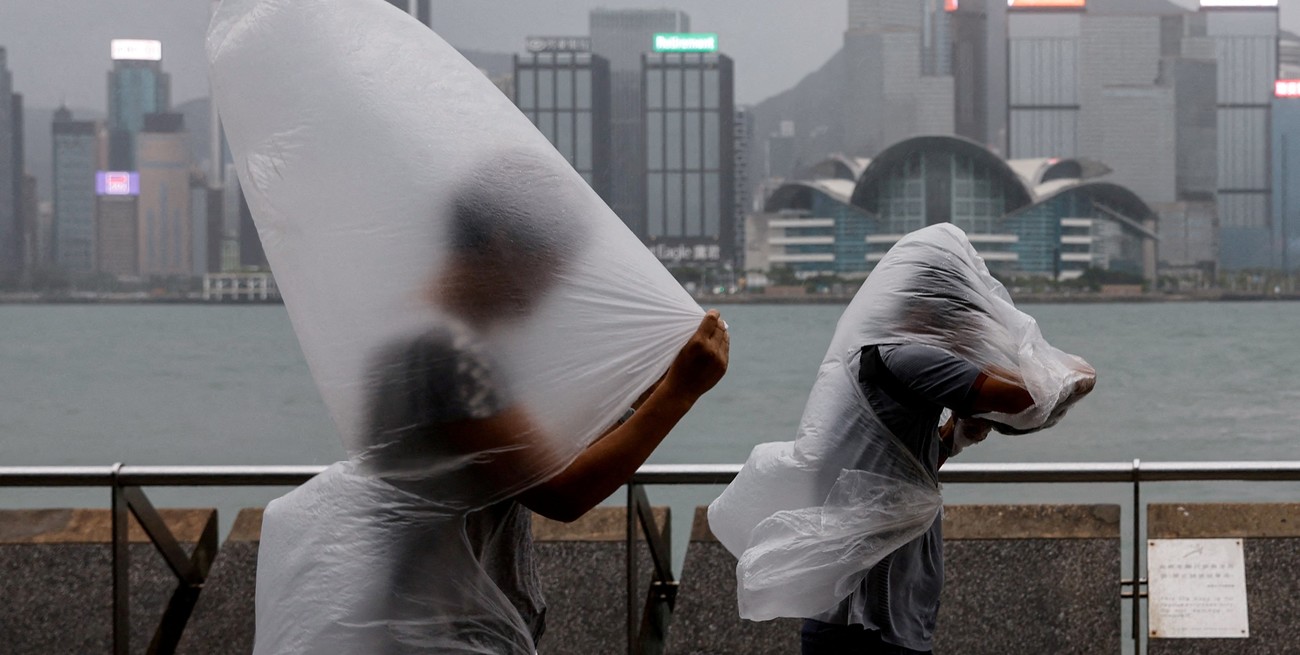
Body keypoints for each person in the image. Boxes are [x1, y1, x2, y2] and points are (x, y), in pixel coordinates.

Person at [252, 155, 729, 655]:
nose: (557, 283)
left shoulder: (423, 333)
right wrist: (679, 393)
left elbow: (528, 457)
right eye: (557, 261)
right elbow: (563, 492)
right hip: (436, 629)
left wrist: (638, 399)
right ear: (506, 242)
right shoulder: (446, 353)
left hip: (414, 613)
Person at [797, 247, 1096, 655]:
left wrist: (953, 437)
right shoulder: (902, 356)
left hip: (869, 611)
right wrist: (1078, 376)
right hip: (867, 621)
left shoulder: (876, 356)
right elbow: (1028, 397)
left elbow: (895, 470)